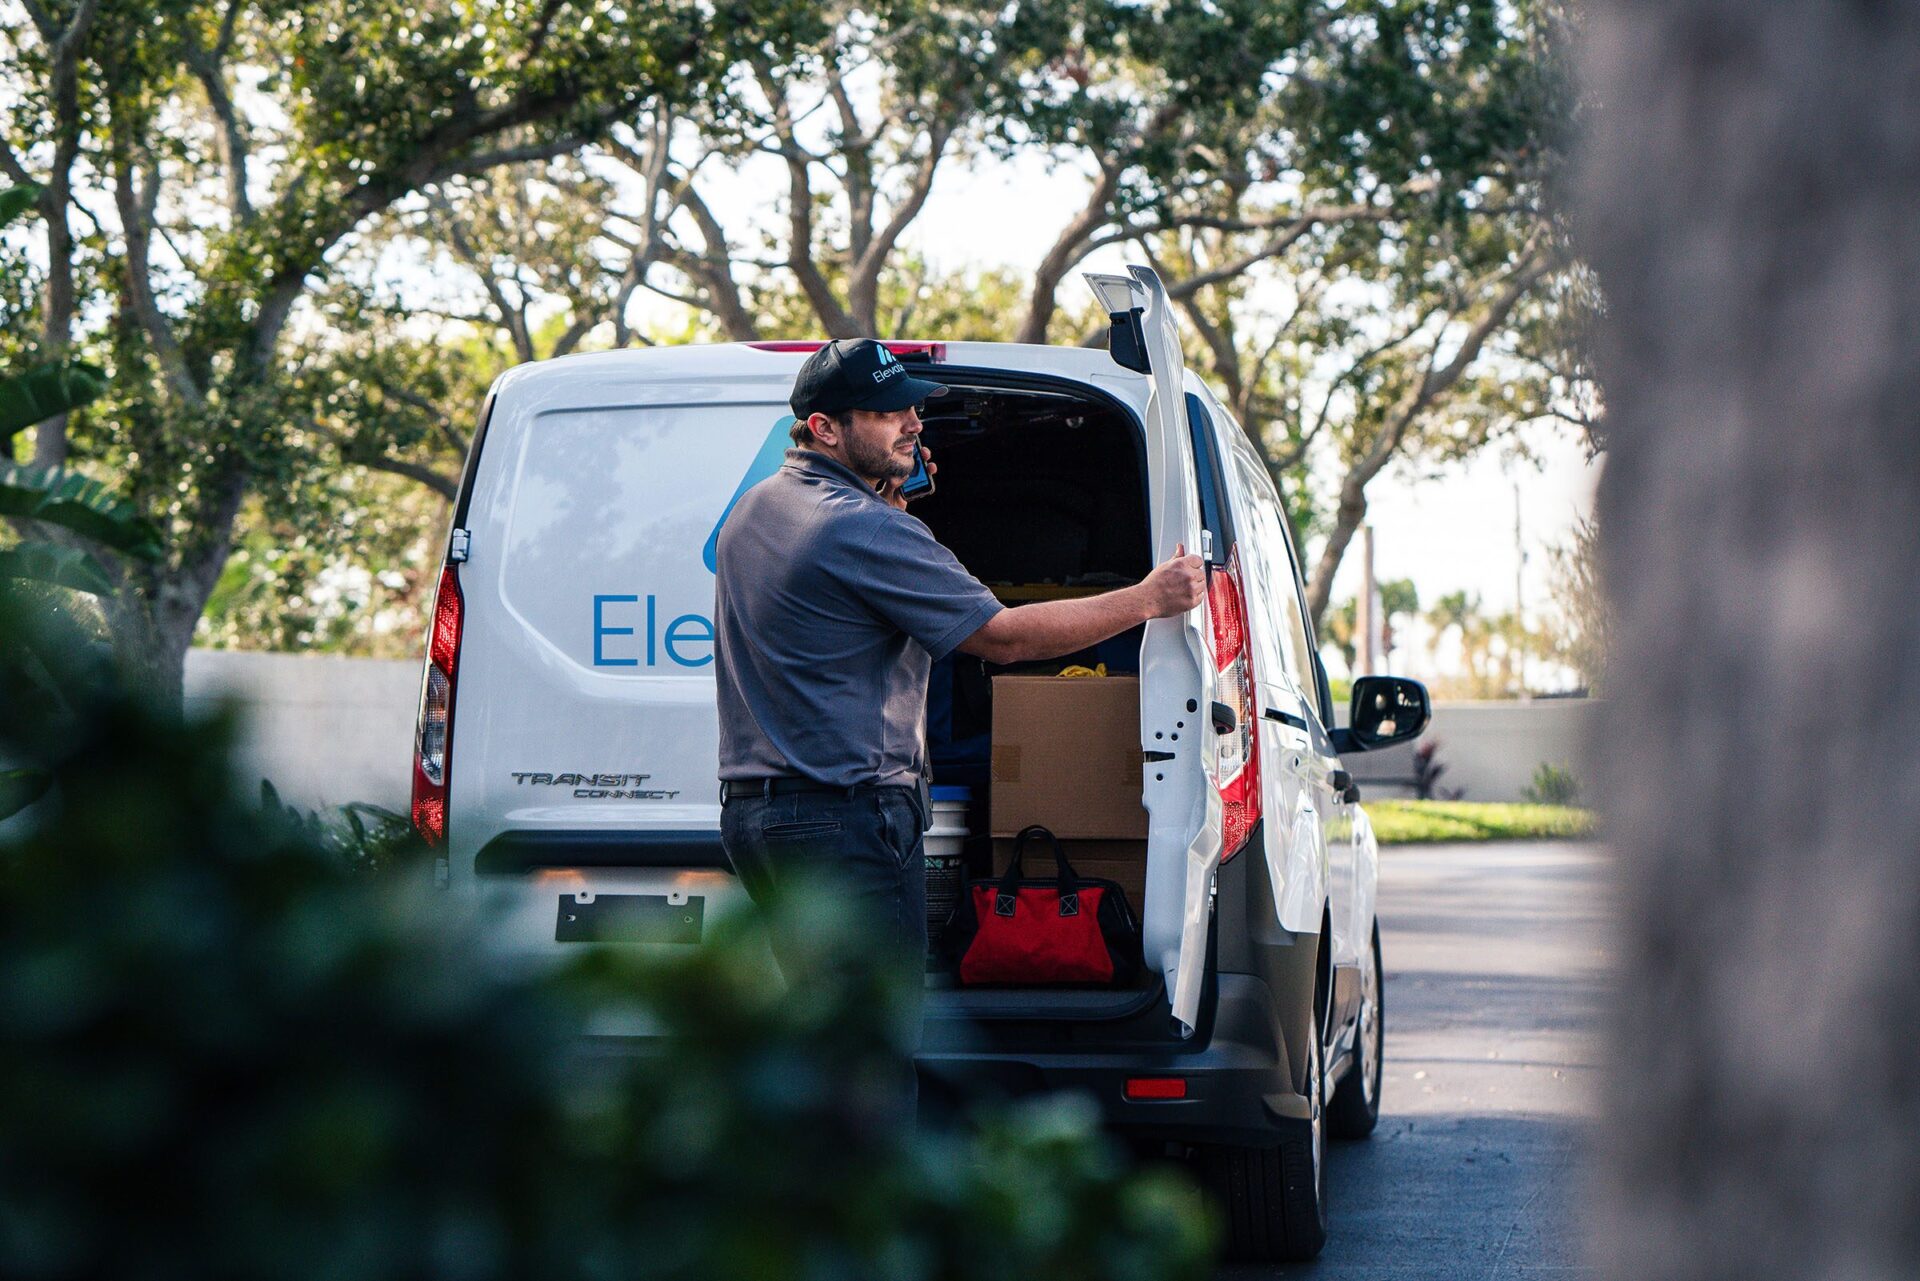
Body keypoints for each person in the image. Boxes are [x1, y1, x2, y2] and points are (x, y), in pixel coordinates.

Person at [712, 337, 1205, 1114]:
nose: (912, 421)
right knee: (872, 1062)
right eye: (886, 411)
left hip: (761, 816)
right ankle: (873, 1228)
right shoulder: (862, 529)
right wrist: (1149, 598)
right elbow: (1000, 638)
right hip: (843, 819)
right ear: (824, 429)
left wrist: (890, 499)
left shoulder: (758, 508)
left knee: (824, 1045)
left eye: (912, 405)